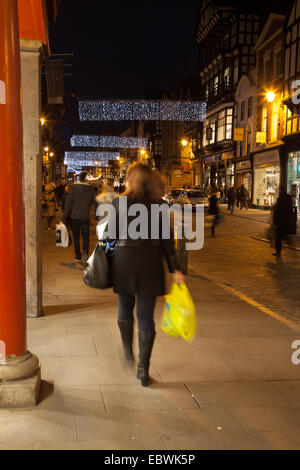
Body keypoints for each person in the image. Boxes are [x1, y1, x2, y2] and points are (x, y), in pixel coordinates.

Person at [105, 162, 184, 387]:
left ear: (131, 180)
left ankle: (128, 350)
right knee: (146, 316)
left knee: (124, 307)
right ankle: (143, 370)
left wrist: (106, 261)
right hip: (150, 263)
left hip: (124, 262)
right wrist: (175, 268)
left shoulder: (119, 202)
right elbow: (168, 241)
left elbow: (110, 236)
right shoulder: (160, 205)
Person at [62, 171, 95, 264]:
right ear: (86, 179)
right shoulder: (91, 189)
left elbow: (68, 204)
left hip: (74, 216)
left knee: (76, 236)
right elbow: (94, 202)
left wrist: (64, 217)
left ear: (79, 178)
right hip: (85, 216)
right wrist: (96, 215)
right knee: (86, 236)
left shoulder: (72, 188)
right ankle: (85, 252)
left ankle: (78, 255)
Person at [272, 186, 293, 257]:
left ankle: (278, 252)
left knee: (278, 236)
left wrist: (274, 221)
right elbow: (290, 210)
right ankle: (289, 244)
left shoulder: (280, 199)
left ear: (281, 191)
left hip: (280, 220)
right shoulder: (289, 198)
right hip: (286, 220)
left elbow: (277, 211)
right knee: (284, 234)